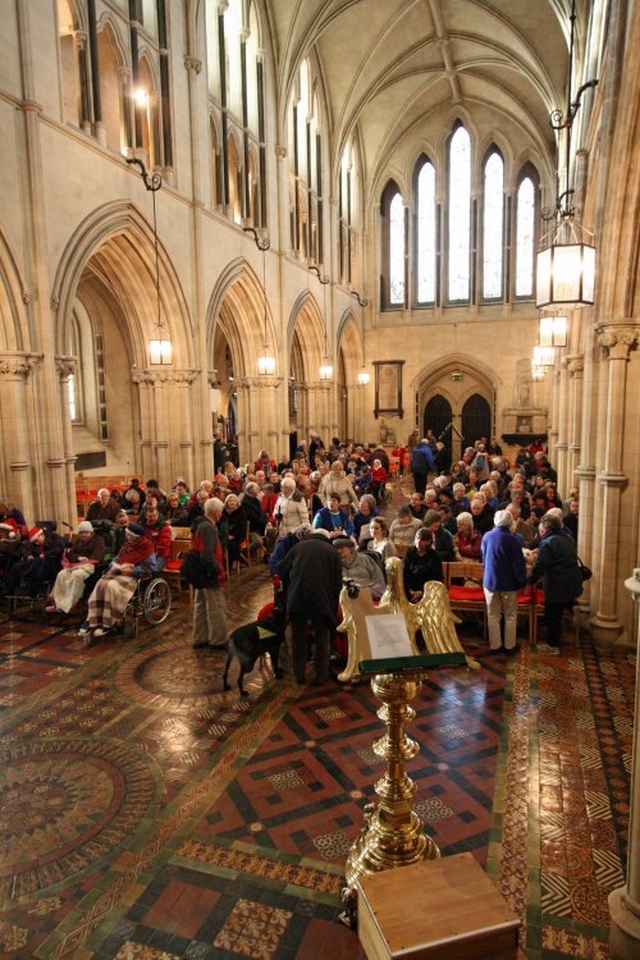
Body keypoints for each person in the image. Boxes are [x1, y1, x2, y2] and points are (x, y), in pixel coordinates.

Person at [277, 529, 343, 685]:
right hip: (321, 600)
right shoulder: (332, 552)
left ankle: (298, 675)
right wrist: (332, 606)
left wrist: (290, 585)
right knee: (322, 638)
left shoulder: (299, 547)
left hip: (297, 598)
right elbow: (337, 583)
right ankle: (321, 676)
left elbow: (281, 569)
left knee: (297, 637)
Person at [79, 523, 156, 639]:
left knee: (110, 586)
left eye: (130, 536)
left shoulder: (147, 546)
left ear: (137, 537)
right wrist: (113, 564)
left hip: (133, 576)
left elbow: (151, 568)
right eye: (127, 535)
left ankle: (108, 622)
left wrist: (131, 569)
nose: (127, 538)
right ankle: (92, 619)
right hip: (118, 572)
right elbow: (117, 558)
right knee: (101, 584)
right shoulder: (127, 545)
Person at [527, 513, 583, 656]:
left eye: (540, 532)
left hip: (557, 583)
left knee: (553, 614)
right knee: (563, 604)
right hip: (572, 580)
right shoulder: (567, 537)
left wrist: (530, 581)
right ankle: (573, 609)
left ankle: (553, 645)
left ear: (545, 529)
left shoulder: (548, 542)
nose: (540, 535)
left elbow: (540, 566)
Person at [481, 510, 527, 654]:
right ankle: (509, 646)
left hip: (490, 581)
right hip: (508, 583)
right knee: (510, 615)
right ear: (510, 522)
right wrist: (522, 582)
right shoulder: (513, 540)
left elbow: (483, 557)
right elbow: (518, 564)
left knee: (493, 615)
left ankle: (495, 646)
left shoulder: (487, 536)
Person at [191, 497, 227, 649]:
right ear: (216, 512)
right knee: (216, 606)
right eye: (220, 512)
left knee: (201, 605)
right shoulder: (209, 528)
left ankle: (200, 637)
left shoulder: (198, 523)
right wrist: (218, 570)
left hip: (199, 571)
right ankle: (218, 640)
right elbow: (207, 554)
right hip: (209, 573)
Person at [46, 520, 106, 613]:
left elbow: (99, 555)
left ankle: (68, 605)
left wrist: (87, 560)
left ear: (91, 532)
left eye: (86, 532)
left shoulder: (98, 539)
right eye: (81, 533)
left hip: (91, 565)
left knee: (76, 576)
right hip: (76, 564)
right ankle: (57, 603)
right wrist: (78, 558)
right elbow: (71, 554)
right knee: (61, 574)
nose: (83, 535)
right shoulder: (79, 541)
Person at [1, 525, 65, 598]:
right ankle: (8, 590)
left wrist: (45, 554)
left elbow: (59, 548)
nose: (36, 543)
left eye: (37, 541)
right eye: (35, 542)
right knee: (16, 566)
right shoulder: (34, 543)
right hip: (34, 564)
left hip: (52, 564)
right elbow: (26, 549)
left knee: (38, 562)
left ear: (41, 535)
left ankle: (30, 588)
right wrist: (28, 555)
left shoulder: (55, 537)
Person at [334, 536, 386, 600]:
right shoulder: (334, 564)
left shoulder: (365, 559)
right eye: (336, 548)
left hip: (369, 595)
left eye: (342, 548)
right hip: (344, 598)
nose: (339, 551)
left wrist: (366, 593)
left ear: (350, 549)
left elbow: (379, 580)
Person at [402, 528, 444, 601]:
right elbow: (404, 573)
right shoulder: (409, 552)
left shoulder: (434, 556)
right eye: (417, 538)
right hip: (409, 590)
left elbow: (436, 579)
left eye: (422, 540)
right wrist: (409, 590)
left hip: (427, 592)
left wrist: (422, 592)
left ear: (428, 541)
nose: (418, 542)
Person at [143, 504, 172, 573]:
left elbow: (164, 545)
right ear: (146, 516)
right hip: (146, 554)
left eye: (154, 516)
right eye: (150, 516)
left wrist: (154, 554)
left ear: (158, 516)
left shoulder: (164, 527)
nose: (153, 518)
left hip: (161, 555)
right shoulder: (143, 526)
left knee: (154, 570)